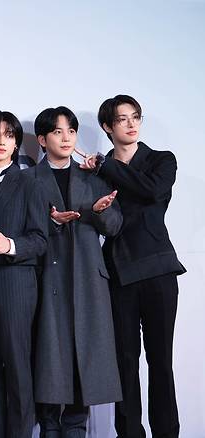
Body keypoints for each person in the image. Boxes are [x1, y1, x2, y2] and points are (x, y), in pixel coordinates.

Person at [81, 94, 186, 438]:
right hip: (119, 274)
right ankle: (128, 433)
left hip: (157, 270)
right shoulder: (96, 171)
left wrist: (106, 167)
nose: (131, 124)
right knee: (124, 362)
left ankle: (167, 433)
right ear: (107, 127)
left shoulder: (160, 160)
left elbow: (152, 191)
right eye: (122, 119)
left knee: (160, 363)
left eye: (135, 117)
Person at [26, 106, 122, 438]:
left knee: (84, 364)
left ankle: (76, 429)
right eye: (57, 131)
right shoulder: (28, 179)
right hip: (46, 281)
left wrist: (97, 213)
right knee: (49, 364)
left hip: (86, 282)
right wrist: (51, 222)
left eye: (71, 131)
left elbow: (114, 226)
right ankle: (49, 428)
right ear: (42, 139)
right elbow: (21, 228)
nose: (66, 138)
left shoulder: (91, 177)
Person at [0, 110, 47, 438]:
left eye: (9, 135)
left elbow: (40, 239)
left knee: (18, 369)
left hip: (15, 283)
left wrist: (10, 245)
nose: (2, 141)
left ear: (17, 142)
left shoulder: (30, 181)